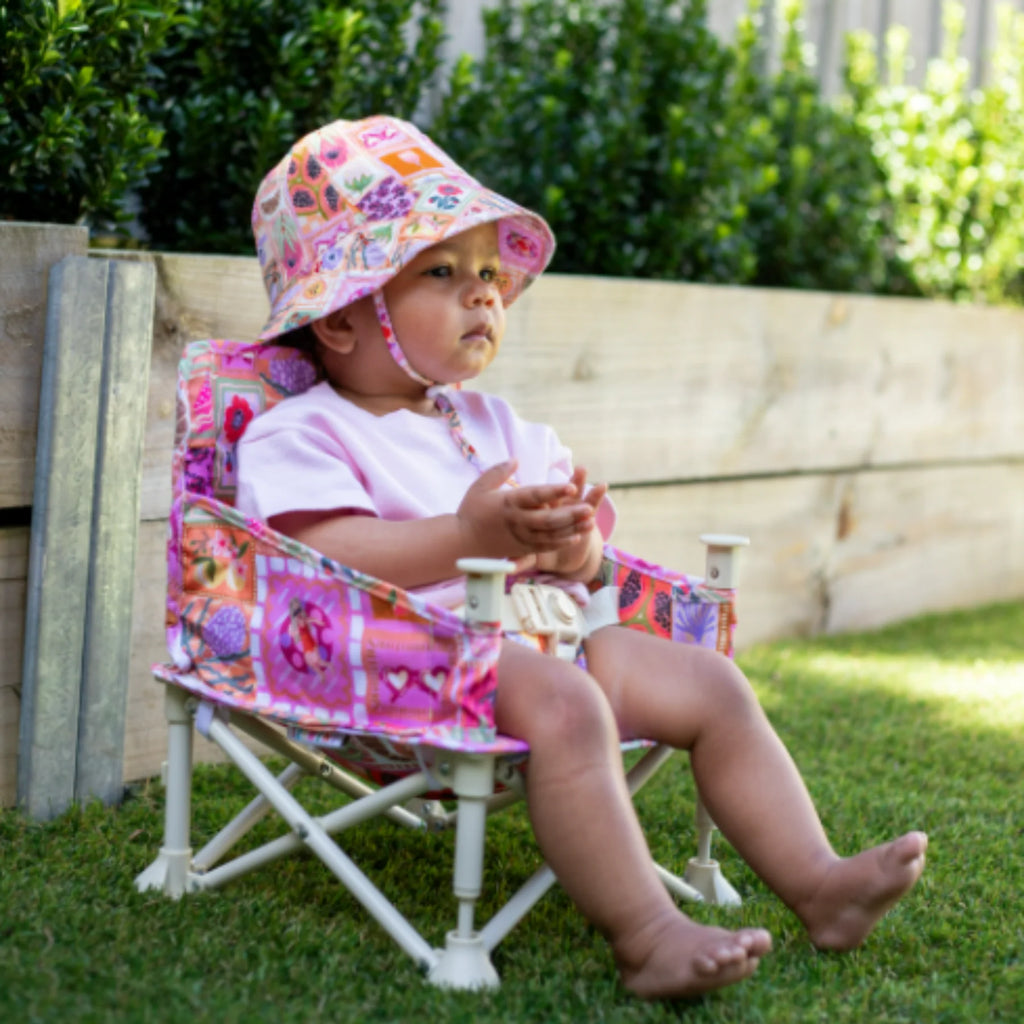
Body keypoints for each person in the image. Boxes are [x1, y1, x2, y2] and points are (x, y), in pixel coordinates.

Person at [236, 115, 927, 1000]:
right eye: (442, 273)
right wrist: (465, 537)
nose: (484, 294)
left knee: (709, 685)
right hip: (411, 668)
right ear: (338, 317)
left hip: (548, 641)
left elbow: (590, 545)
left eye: (489, 273)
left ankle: (820, 885)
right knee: (563, 700)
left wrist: (579, 545)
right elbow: (319, 559)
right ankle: (648, 934)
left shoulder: (494, 424)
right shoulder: (302, 432)